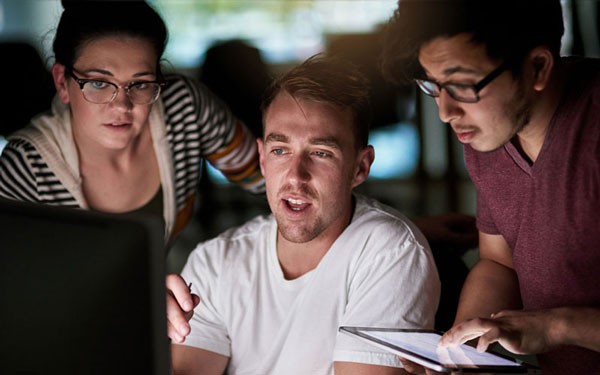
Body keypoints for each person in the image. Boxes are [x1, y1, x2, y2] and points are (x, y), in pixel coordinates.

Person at [166, 53, 441, 374]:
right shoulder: (214, 261)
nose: (296, 176)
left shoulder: (390, 251)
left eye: (321, 153)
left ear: (360, 166)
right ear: (263, 160)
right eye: (280, 150)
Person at [380, 0, 600, 374]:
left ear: (537, 67)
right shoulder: (489, 137)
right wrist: (458, 354)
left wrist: (556, 325)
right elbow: (499, 263)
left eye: (463, 86)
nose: (445, 112)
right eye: (433, 85)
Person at [0, 0, 264, 245]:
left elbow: (269, 176)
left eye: (140, 83)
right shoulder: (26, 166)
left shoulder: (184, 107)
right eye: (99, 83)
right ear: (62, 83)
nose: (121, 105)